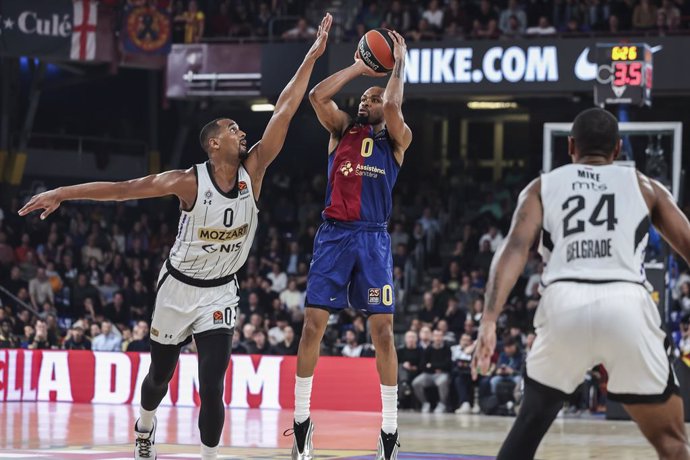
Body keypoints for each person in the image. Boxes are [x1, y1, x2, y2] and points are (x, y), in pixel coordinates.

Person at [18, 14, 333, 460]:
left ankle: (208, 455)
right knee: (160, 377)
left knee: (212, 386)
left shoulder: (254, 171)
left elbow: (285, 106)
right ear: (213, 144)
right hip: (177, 289)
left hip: (220, 293)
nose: (242, 132)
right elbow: (123, 191)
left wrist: (311, 55)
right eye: (232, 129)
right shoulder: (187, 181)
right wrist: (62, 193)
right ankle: (145, 424)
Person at [473, 108, 690, 460]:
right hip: (627, 304)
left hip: (563, 303)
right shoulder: (644, 185)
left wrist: (489, 319)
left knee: (529, 424)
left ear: (570, 146)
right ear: (618, 150)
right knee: (672, 443)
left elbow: (513, 247)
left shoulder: (542, 186)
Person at [290, 30, 412, 460]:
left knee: (383, 333)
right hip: (335, 235)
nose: (366, 101)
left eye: (373, 97)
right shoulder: (342, 128)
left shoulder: (397, 139)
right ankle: (302, 422)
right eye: (363, 97)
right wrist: (360, 66)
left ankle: (390, 429)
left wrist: (397, 65)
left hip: (373, 239)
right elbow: (318, 98)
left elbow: (394, 106)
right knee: (312, 327)